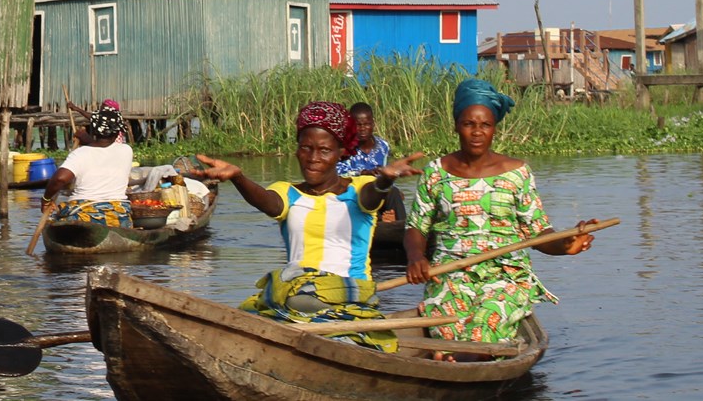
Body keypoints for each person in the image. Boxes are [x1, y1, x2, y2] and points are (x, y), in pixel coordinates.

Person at [187, 101, 424, 352]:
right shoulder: (288, 192)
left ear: (341, 152)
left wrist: (385, 179)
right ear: (297, 150)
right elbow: (269, 203)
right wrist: (238, 177)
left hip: (347, 298)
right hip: (295, 296)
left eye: (324, 150)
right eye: (306, 148)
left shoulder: (358, 188)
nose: (313, 158)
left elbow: (373, 195)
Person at [404, 79, 596, 349]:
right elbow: (416, 227)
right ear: (456, 125)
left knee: (484, 329)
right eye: (469, 124)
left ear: (494, 129)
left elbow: (538, 232)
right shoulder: (436, 172)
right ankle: (455, 358)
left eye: (485, 125)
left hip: (505, 276)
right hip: (450, 274)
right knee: (448, 331)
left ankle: (467, 361)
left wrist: (565, 243)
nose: (477, 132)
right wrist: (416, 257)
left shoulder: (517, 173)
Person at [41, 106, 136, 226]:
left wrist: (46, 199)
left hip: (82, 211)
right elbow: (103, 149)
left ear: (94, 130)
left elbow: (60, 178)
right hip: (117, 211)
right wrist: (85, 138)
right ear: (117, 133)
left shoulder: (80, 154)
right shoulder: (127, 150)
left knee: (55, 216)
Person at [333, 102, 392, 176]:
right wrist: (362, 173)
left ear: (373, 124)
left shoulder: (384, 146)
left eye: (367, 124)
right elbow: (337, 173)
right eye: (358, 125)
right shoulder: (344, 148)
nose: (362, 128)